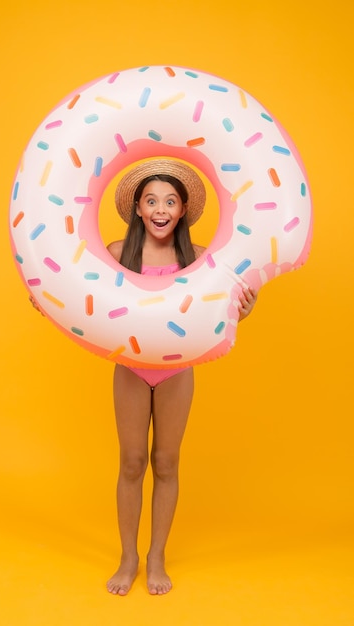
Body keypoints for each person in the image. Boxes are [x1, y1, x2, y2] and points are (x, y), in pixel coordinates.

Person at [105, 160, 257, 596]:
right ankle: (128, 557)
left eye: (170, 201)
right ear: (137, 208)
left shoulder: (200, 259)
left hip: (176, 370)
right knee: (132, 461)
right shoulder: (117, 253)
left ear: (183, 209)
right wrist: (47, 298)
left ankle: (156, 556)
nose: (160, 209)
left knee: (166, 462)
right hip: (132, 368)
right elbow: (75, 291)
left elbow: (231, 302)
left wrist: (245, 307)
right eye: (151, 200)